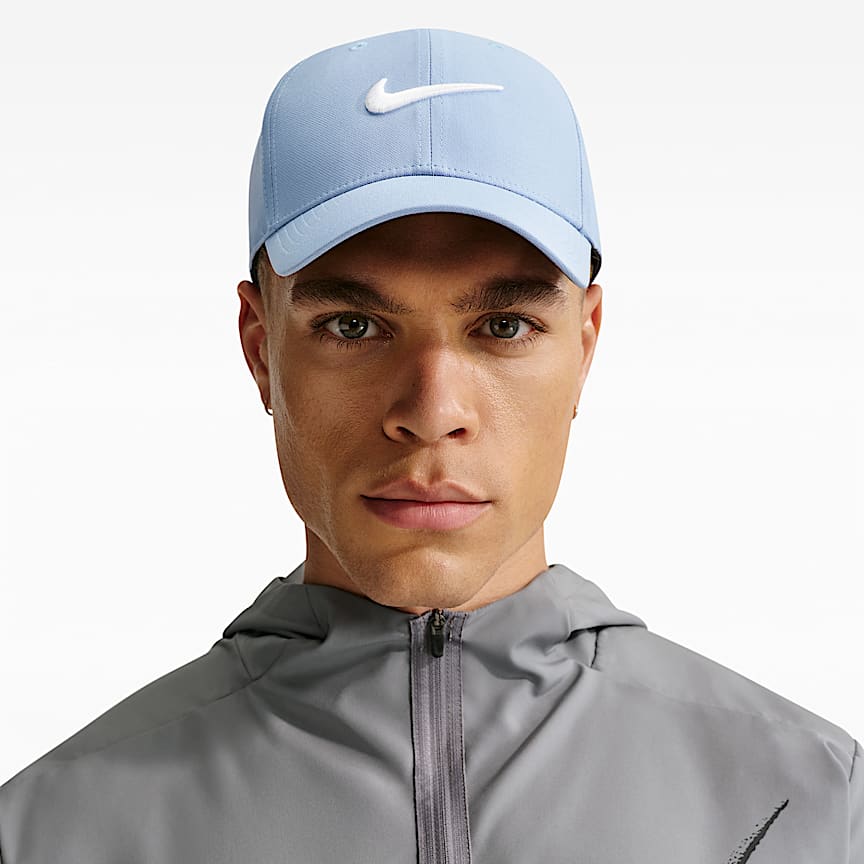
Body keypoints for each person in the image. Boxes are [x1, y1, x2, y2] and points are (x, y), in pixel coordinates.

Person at [0, 27, 860, 863]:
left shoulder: (811, 801)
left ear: (585, 346)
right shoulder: (54, 830)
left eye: (504, 325)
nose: (432, 411)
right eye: (353, 325)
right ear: (261, 350)